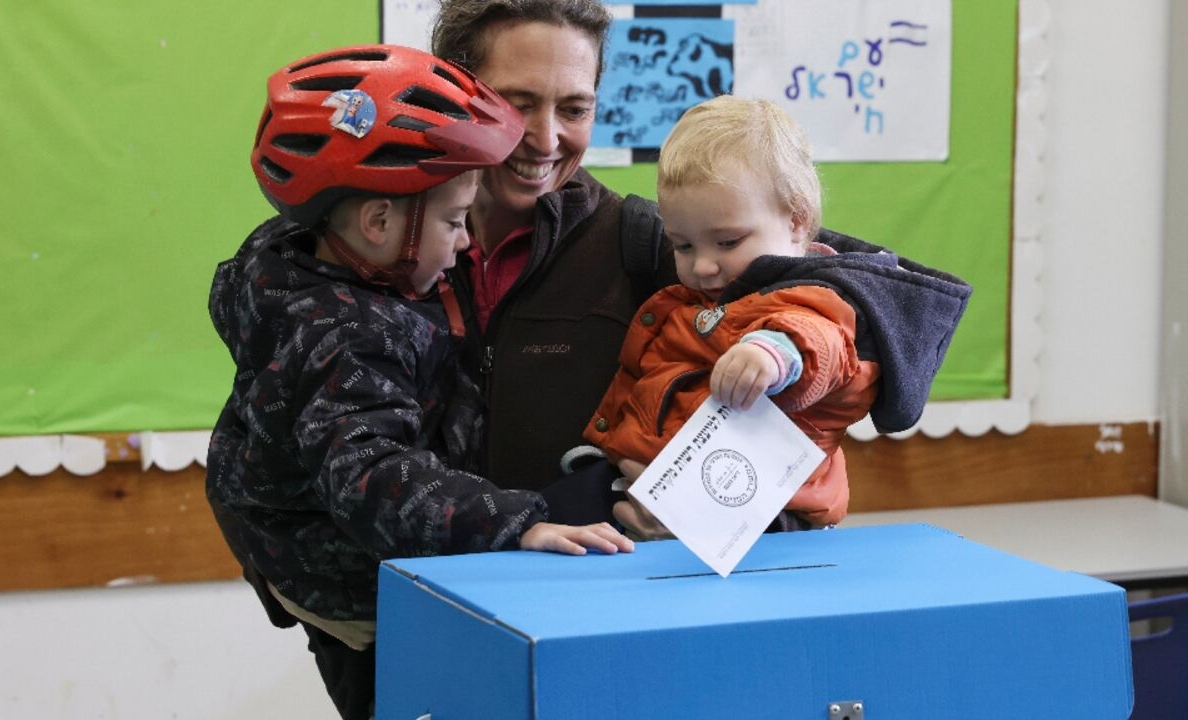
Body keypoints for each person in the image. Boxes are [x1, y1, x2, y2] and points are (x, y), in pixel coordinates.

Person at [205, 44, 632, 720]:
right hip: (362, 601)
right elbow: (371, 475)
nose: (464, 243)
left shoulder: (301, 266)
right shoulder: (344, 335)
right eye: (455, 222)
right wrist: (514, 523)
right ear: (378, 224)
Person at [580, 96, 972, 537]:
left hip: (767, 516)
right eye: (683, 245)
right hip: (665, 485)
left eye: (727, 242)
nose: (703, 265)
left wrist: (773, 354)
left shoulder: (813, 296)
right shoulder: (706, 298)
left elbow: (821, 340)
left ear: (796, 221)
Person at [430, 0, 678, 497]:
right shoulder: (387, 240)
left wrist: (683, 506)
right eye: (517, 104)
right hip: (421, 552)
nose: (546, 140)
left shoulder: (651, 243)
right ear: (451, 95)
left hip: (598, 551)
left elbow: (840, 279)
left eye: (574, 109)